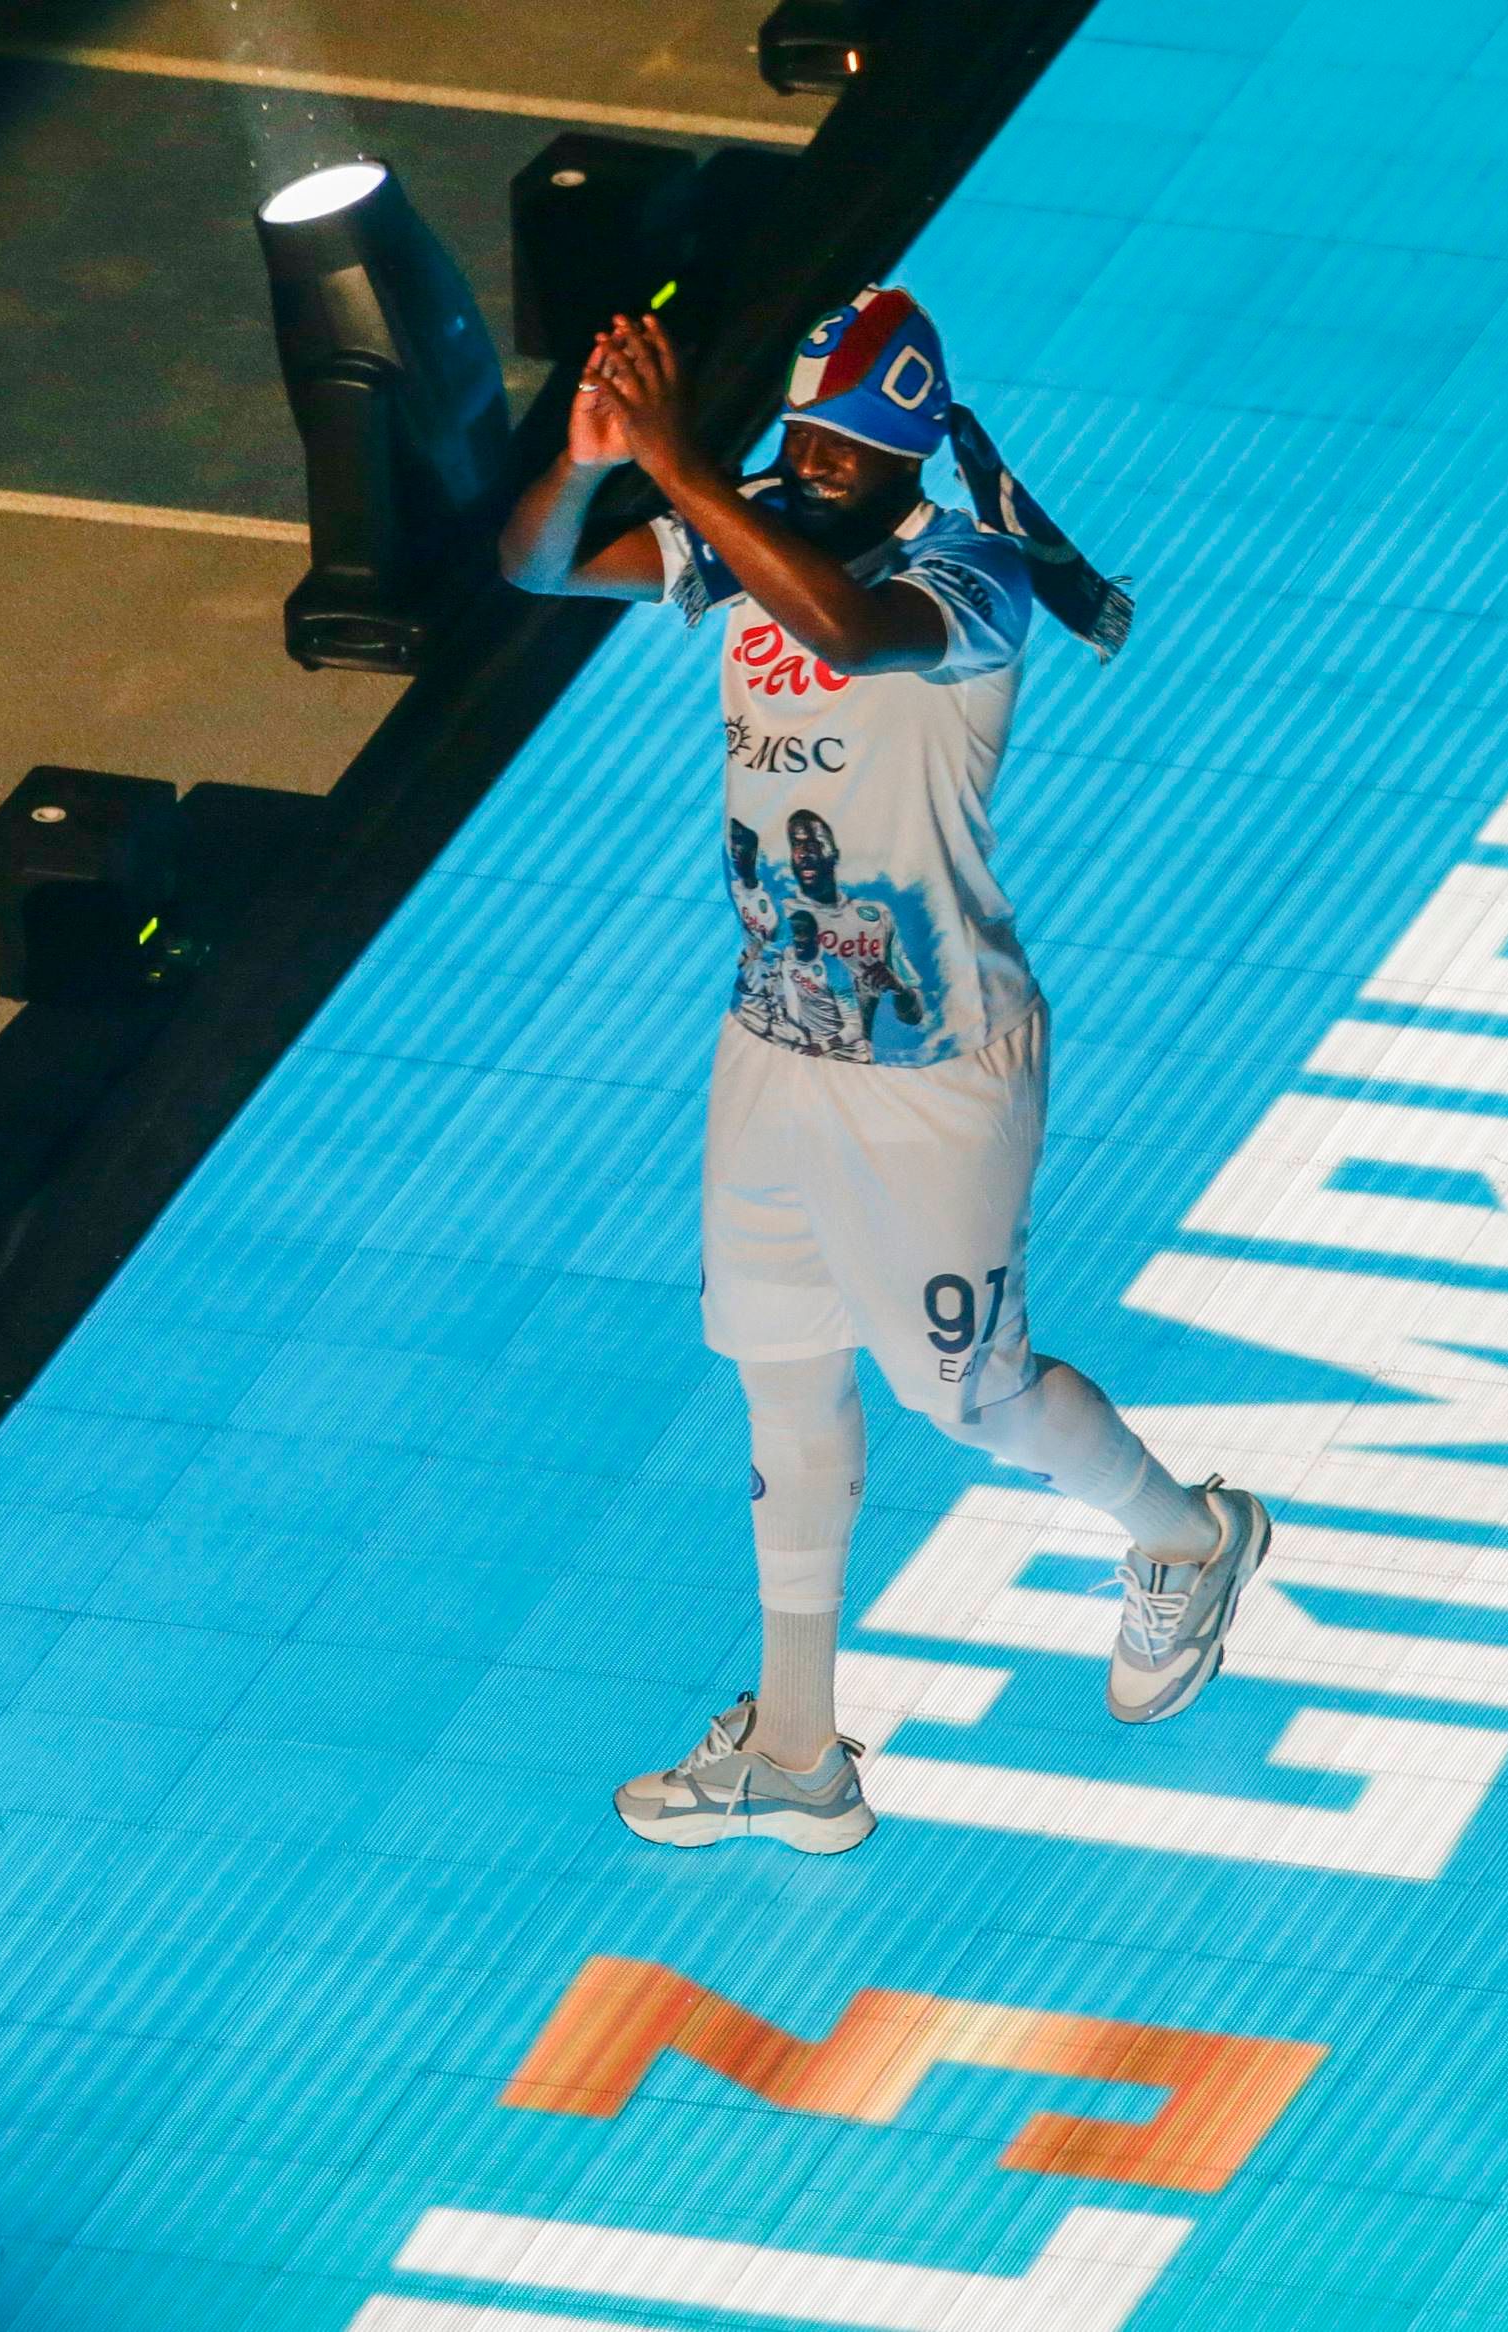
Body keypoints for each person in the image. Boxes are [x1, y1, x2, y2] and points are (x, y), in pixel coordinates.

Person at [499, 287, 1271, 1854]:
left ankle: (1190, 1540)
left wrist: (682, 460)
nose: (812, 465)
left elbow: (844, 630)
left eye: (844, 450)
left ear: (910, 448)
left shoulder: (965, 574)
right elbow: (530, 567)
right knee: (779, 1374)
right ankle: (796, 1754)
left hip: (936, 1068)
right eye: (799, 439)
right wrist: (596, 462)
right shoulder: (755, 522)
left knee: (973, 1399)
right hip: (771, 1041)